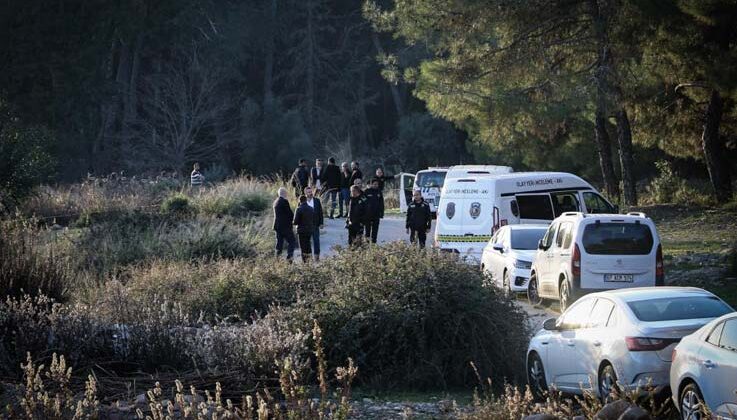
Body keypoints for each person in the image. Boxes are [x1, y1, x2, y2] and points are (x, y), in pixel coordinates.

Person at [273, 187, 297, 260]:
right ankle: (289, 258)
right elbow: (289, 214)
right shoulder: (284, 201)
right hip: (285, 226)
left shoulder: (275, 201)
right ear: (285, 193)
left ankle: (277, 259)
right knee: (292, 241)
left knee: (279, 243)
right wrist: (294, 220)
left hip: (277, 226)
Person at [293, 195, 315, 263]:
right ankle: (310, 260)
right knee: (308, 245)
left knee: (303, 247)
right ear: (306, 200)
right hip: (309, 230)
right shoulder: (311, 208)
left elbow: (296, 222)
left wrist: (293, 222)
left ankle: (304, 261)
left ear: (300, 201)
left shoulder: (299, 209)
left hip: (301, 231)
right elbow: (313, 219)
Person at [304, 186, 324, 260]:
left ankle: (316, 256)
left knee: (316, 240)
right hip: (306, 225)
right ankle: (308, 257)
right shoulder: (303, 201)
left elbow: (320, 212)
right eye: (308, 192)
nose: (310, 193)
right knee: (307, 242)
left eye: (311, 192)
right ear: (305, 193)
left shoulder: (317, 201)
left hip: (315, 224)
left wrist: (321, 223)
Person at [363, 178, 384, 243]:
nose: (376, 185)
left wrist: (381, 213)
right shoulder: (366, 191)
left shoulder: (379, 192)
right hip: (368, 214)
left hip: (376, 214)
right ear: (371, 184)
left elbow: (381, 203)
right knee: (367, 230)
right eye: (374, 184)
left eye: (377, 184)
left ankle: (374, 243)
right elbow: (363, 203)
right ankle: (367, 243)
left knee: (375, 230)